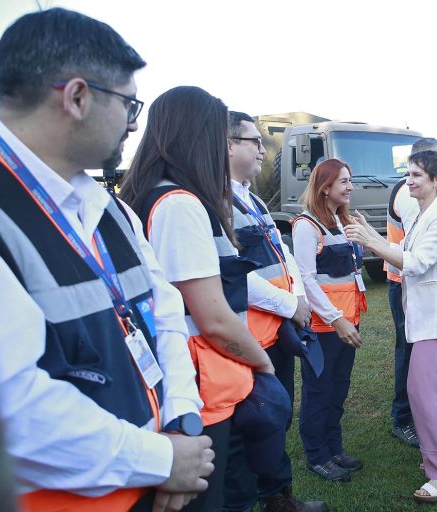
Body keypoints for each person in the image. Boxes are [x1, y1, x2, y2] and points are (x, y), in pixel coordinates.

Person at [0, 9, 213, 512]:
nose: (134, 126)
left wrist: (181, 422)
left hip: (156, 476)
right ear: (78, 97)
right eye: (130, 104)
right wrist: (161, 459)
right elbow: (12, 411)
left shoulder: (109, 208)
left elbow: (165, 312)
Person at [119, 86, 285, 512]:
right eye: (218, 137)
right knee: (224, 494)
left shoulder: (154, 196)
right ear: (198, 138)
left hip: (194, 384)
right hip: (203, 391)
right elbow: (211, 316)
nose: (224, 148)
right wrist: (262, 364)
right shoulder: (180, 204)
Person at [346, 150, 437, 503]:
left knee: (424, 393)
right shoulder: (421, 212)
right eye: (409, 173)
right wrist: (375, 235)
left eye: (416, 175)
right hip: (429, 318)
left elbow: (416, 262)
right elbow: (403, 247)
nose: (408, 180)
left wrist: (370, 243)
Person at [223, 111, 325, 512]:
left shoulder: (249, 197)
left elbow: (282, 257)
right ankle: (259, 499)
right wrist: (290, 303)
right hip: (250, 340)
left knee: (276, 417)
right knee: (254, 423)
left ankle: (277, 498)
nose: (264, 149)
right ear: (228, 144)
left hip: (276, 334)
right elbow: (233, 277)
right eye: (255, 141)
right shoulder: (215, 199)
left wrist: (297, 300)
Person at [292, 159, 367, 482]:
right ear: (325, 188)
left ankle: (334, 447)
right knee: (318, 391)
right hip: (325, 327)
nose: (350, 187)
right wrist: (337, 319)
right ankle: (317, 455)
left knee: (339, 388)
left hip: (347, 322)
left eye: (350, 181)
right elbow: (306, 279)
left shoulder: (342, 220)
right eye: (344, 182)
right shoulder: (306, 226)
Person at [385, 137, 437, 449]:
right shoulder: (411, 196)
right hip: (405, 284)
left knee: (419, 354)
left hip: (416, 283)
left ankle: (416, 414)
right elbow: (417, 252)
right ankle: (403, 417)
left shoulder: (426, 197)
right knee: (409, 353)